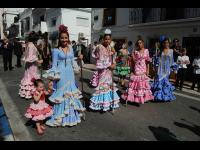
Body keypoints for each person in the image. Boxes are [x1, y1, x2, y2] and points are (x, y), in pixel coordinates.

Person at [43, 25, 85, 127]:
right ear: (59, 39)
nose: (64, 39)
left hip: (70, 75)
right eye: (62, 38)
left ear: (68, 38)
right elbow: (54, 65)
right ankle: (59, 117)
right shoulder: (56, 50)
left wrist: (79, 59)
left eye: (66, 37)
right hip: (61, 76)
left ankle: (71, 117)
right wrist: (52, 79)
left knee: (71, 93)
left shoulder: (70, 49)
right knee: (61, 95)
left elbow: (72, 61)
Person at [89, 29, 120, 112]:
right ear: (103, 39)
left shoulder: (111, 47)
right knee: (102, 86)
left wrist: (114, 64)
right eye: (106, 39)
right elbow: (94, 55)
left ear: (110, 40)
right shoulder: (99, 47)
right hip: (102, 70)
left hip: (109, 70)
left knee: (108, 86)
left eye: (109, 39)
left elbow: (114, 57)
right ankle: (100, 104)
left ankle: (107, 104)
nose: (107, 40)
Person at [122, 39, 154, 105]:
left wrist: (148, 70)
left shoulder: (146, 51)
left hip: (143, 68)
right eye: (138, 43)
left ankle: (143, 98)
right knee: (136, 84)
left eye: (140, 43)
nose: (139, 44)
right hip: (137, 68)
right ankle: (134, 98)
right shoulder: (135, 52)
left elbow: (147, 61)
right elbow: (133, 62)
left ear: (143, 43)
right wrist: (131, 71)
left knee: (143, 85)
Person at [151, 37, 178, 102]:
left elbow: (172, 61)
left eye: (167, 43)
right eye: (165, 43)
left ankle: (165, 96)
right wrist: (155, 67)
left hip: (167, 69)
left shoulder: (171, 51)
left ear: (169, 43)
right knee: (159, 82)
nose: (166, 44)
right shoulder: (160, 51)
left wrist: (174, 69)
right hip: (160, 69)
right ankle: (158, 96)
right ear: (163, 44)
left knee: (165, 82)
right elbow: (156, 59)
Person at [19, 31, 42, 99]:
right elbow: (30, 57)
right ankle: (30, 93)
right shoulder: (31, 45)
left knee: (28, 77)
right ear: (35, 39)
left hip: (30, 65)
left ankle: (27, 93)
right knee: (31, 77)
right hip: (32, 65)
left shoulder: (29, 44)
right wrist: (38, 60)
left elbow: (28, 56)